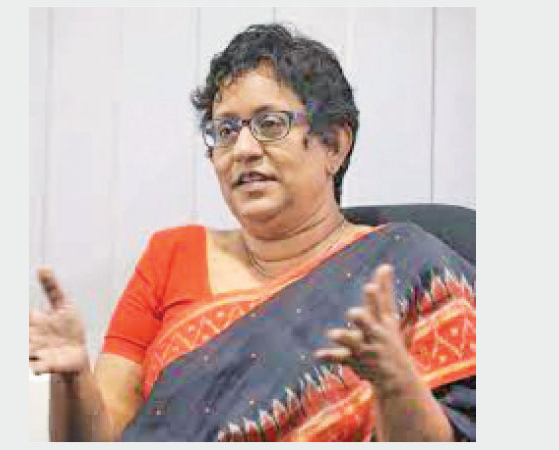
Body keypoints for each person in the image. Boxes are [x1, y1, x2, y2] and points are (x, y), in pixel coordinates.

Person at [28, 23, 475, 442]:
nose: (242, 149)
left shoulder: (402, 271)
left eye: (270, 124)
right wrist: (72, 379)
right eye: (225, 130)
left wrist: (395, 385)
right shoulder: (172, 255)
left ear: (335, 145)